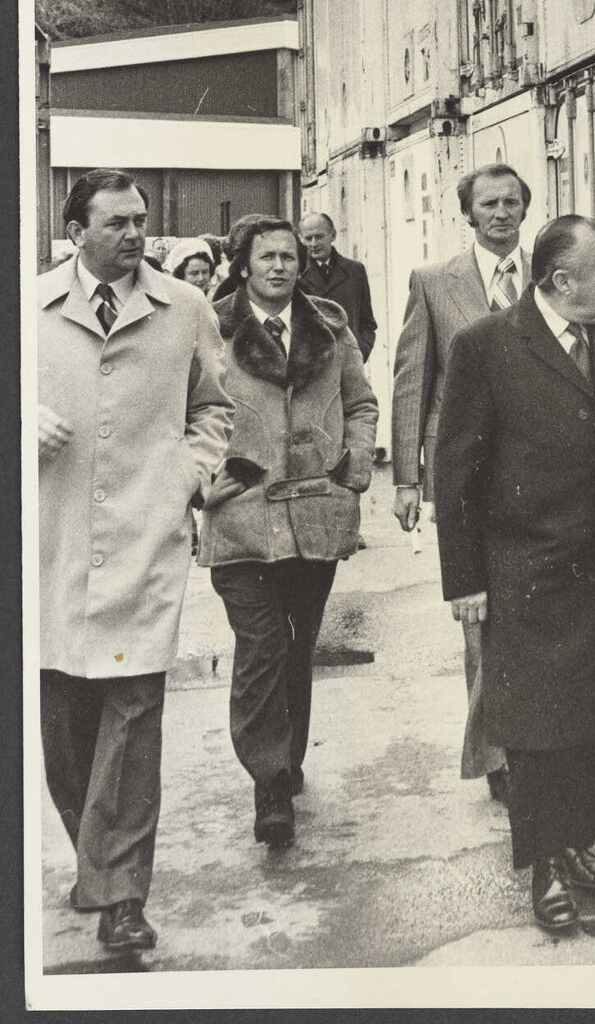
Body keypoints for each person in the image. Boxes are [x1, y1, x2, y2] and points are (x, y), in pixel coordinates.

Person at [434, 214, 595, 933]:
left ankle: (573, 841)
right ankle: (541, 865)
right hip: (528, 567)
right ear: (560, 280)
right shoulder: (486, 346)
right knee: (538, 724)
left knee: (594, 710)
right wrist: (465, 579)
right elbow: (455, 471)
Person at [38, 171, 234, 956]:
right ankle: (98, 859)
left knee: (132, 714)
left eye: (141, 220)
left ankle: (121, 895)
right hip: (52, 540)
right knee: (64, 724)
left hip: (146, 540)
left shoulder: (185, 309)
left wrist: (187, 475)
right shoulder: (30, 306)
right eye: (116, 221)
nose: (133, 234)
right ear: (76, 227)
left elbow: (214, 407)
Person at [197, 216, 378, 850]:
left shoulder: (330, 322)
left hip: (314, 515)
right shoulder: (209, 326)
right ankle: (269, 784)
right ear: (242, 264)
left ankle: (288, 762)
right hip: (241, 516)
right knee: (262, 647)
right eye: (266, 256)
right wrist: (201, 480)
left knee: (297, 647)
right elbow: (181, 411)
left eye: (289, 256)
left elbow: (360, 401)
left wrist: (353, 464)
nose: (279, 266)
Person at [390, 162, 534, 802]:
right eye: (488, 204)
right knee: (480, 617)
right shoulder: (434, 283)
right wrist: (406, 479)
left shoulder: (551, 276)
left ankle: (538, 741)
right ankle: (498, 753)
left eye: (511, 202)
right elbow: (411, 380)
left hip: (541, 475)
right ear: (468, 214)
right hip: (468, 474)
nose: (500, 213)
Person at [298, 212, 378, 363]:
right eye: (308, 238)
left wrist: (360, 352)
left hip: (349, 363)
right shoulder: (297, 274)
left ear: (333, 235)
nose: (314, 244)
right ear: (301, 239)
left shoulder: (355, 271)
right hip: (312, 365)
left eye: (319, 236)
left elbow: (367, 322)